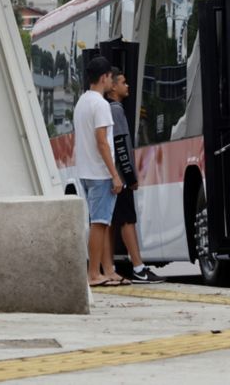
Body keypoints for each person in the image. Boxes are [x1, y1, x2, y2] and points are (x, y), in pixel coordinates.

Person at [103, 68, 163, 284]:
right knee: (128, 220)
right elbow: (120, 145)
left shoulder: (106, 108)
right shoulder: (116, 110)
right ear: (113, 88)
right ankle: (138, 268)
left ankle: (108, 267)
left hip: (110, 176)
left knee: (110, 222)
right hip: (120, 176)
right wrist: (130, 176)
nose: (127, 86)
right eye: (123, 82)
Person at [73, 55, 124, 288]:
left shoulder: (82, 102)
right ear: (104, 77)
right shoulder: (101, 105)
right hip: (100, 171)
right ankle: (93, 273)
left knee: (100, 221)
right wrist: (114, 174)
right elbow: (102, 141)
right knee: (100, 223)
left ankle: (106, 270)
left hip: (85, 170)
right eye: (110, 78)